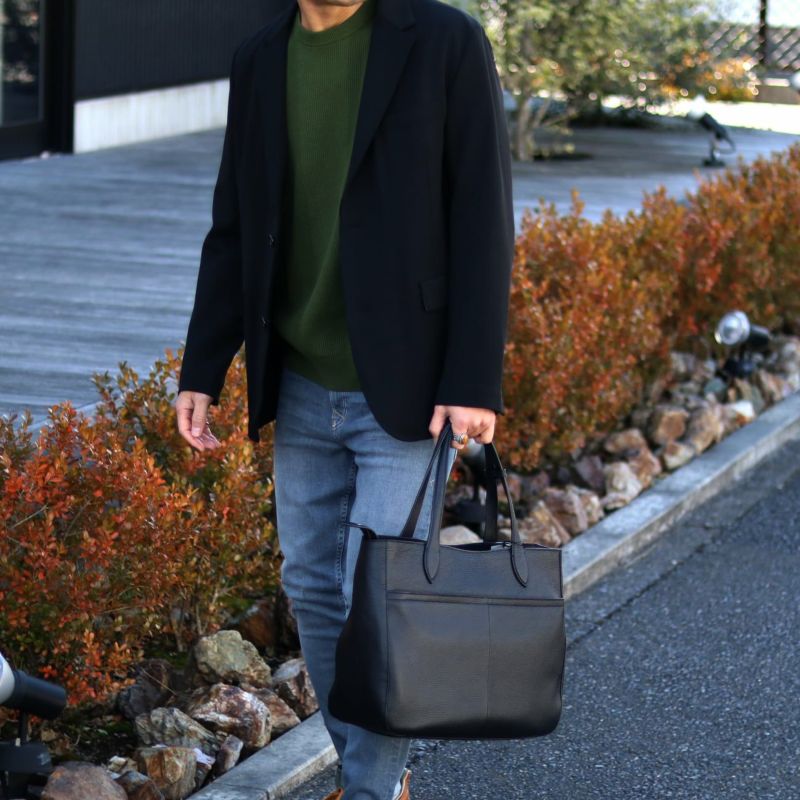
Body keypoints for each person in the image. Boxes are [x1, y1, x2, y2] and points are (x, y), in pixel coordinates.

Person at [174, 0, 514, 796]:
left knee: (382, 603)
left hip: (409, 386)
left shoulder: (443, 41)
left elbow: (483, 212)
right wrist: (202, 366)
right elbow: (234, 222)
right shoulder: (261, 57)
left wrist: (472, 379)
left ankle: (367, 790)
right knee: (316, 593)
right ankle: (376, 778)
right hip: (299, 378)